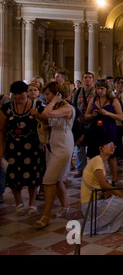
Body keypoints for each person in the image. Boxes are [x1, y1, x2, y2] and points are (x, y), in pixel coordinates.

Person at [33, 82, 76, 228]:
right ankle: (65, 206)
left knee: (49, 180)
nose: (45, 97)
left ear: (58, 94)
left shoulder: (67, 108)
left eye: (48, 94)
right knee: (58, 180)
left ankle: (45, 216)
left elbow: (47, 113)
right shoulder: (58, 107)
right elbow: (47, 119)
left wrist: (52, 101)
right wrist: (37, 116)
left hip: (63, 144)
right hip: (55, 143)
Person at [0, 81, 46, 215]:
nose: (17, 97)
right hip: (13, 147)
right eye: (15, 94)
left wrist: (38, 115)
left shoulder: (37, 105)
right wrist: (1, 149)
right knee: (13, 176)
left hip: (33, 147)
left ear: (26, 92)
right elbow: (1, 130)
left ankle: (32, 203)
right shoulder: (6, 108)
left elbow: (47, 122)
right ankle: (18, 202)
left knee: (33, 175)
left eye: (20, 94)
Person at [80, 138, 123, 234]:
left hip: (97, 200)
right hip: (91, 206)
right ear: (101, 148)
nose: (112, 147)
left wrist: (108, 193)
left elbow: (103, 186)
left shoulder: (101, 161)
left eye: (114, 145)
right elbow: (103, 184)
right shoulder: (97, 160)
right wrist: (121, 194)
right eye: (109, 144)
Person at [85, 79, 123, 186]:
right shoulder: (93, 100)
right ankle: (101, 179)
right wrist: (93, 115)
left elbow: (121, 117)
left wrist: (107, 113)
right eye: (97, 89)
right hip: (95, 130)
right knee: (96, 156)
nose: (99, 91)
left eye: (102, 89)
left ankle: (114, 179)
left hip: (109, 130)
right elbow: (86, 116)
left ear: (107, 89)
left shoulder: (113, 101)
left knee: (111, 156)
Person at [72, 72, 95, 178]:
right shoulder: (77, 92)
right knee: (80, 146)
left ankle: (94, 168)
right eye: (85, 78)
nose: (87, 80)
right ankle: (81, 169)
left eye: (90, 78)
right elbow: (73, 106)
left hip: (92, 121)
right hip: (80, 122)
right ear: (82, 79)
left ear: (93, 79)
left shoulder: (95, 92)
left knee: (93, 146)